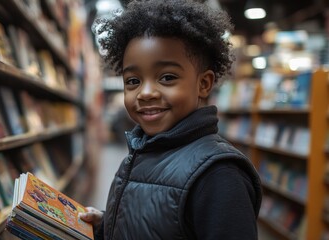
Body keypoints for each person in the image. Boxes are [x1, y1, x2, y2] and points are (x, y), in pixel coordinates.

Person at [79, 0, 262, 239]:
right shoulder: (143, 150)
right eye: (133, 81)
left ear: (203, 83)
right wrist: (107, 226)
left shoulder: (219, 175)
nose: (145, 93)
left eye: (166, 77)